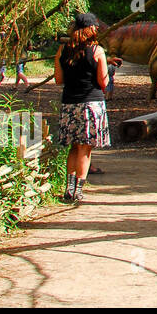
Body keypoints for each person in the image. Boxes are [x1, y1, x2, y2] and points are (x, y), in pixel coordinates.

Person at [53, 12, 112, 203]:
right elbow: (103, 82)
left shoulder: (62, 50)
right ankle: (78, 188)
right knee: (85, 149)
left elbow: (59, 80)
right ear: (91, 29)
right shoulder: (97, 51)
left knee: (73, 147)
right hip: (91, 104)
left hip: (69, 103)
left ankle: (68, 188)